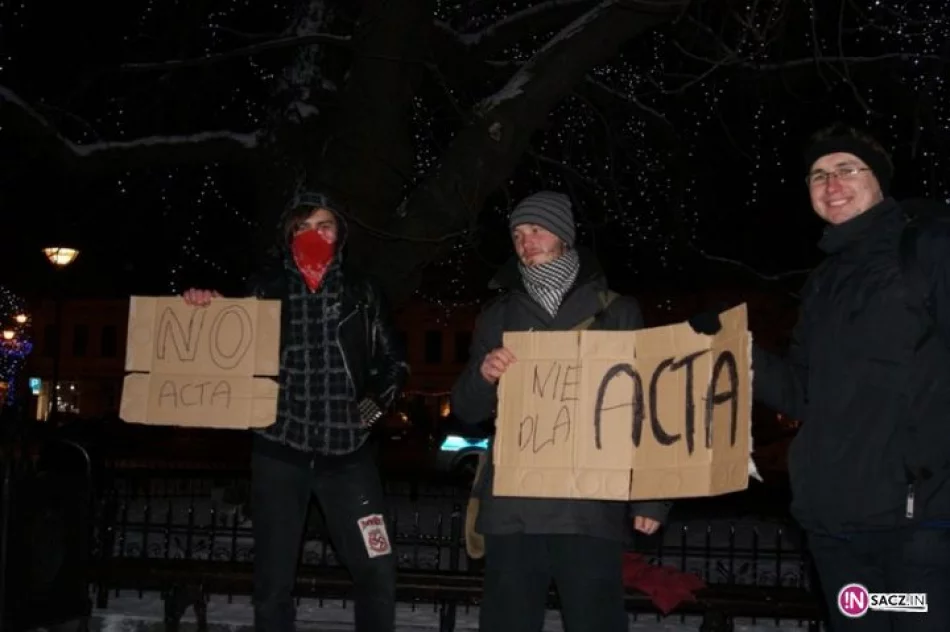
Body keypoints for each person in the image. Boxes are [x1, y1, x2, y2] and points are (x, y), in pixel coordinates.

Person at [691, 124, 950, 631]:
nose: (831, 184)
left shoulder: (928, 249)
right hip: (835, 526)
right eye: (818, 175)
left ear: (880, 181)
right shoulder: (823, 283)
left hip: (917, 526)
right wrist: (736, 348)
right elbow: (801, 393)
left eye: (847, 169)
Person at [182, 190, 408, 632]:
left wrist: (370, 410)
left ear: (339, 233)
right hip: (278, 452)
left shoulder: (363, 291)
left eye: (324, 225)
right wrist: (202, 308)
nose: (314, 234)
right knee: (272, 583)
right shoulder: (264, 288)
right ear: (288, 236)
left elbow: (395, 364)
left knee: (377, 571)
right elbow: (225, 347)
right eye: (302, 226)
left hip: (348, 458)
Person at [450, 191, 673, 632]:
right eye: (517, 234)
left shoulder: (617, 311)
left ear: (565, 237)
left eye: (536, 229)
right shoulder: (497, 315)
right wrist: (484, 374)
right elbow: (466, 409)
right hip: (513, 507)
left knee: (596, 620)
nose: (525, 241)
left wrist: (653, 496)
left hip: (587, 506)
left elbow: (645, 409)